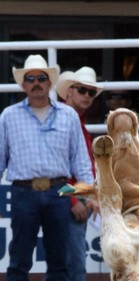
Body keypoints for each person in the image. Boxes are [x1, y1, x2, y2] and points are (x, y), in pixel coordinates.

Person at [0, 54, 94, 281]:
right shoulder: (8, 116)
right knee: (19, 260)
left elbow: (80, 161)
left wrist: (89, 194)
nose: (36, 83)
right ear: (23, 85)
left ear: (50, 83)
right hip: (24, 192)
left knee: (58, 262)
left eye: (41, 78)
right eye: (30, 79)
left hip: (59, 191)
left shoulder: (68, 116)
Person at [56, 66, 102, 281]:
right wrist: (74, 200)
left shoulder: (72, 120)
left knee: (70, 265)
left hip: (71, 197)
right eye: (82, 90)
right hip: (69, 199)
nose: (87, 96)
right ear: (69, 91)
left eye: (91, 92)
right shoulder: (66, 120)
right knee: (72, 267)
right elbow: (56, 168)